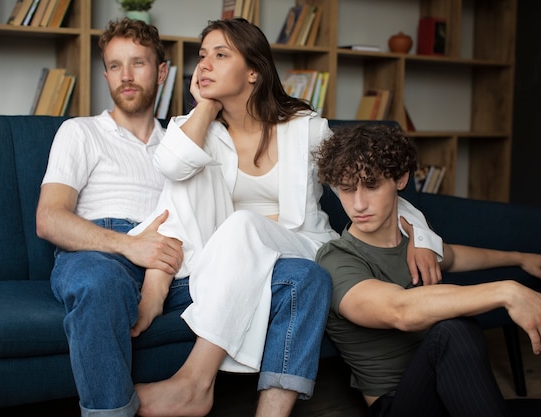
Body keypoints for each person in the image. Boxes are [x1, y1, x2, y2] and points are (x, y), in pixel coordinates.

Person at [129, 18, 445, 417]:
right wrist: (206, 106)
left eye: (221, 55)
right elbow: (171, 167)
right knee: (212, 201)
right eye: (202, 56)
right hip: (225, 259)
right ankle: (162, 297)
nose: (204, 65)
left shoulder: (305, 128)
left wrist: (420, 234)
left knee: (244, 226)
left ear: (254, 72)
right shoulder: (196, 128)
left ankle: (195, 382)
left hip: (300, 244)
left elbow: (367, 177)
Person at [35, 17, 323, 417]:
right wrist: (132, 246)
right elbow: (49, 220)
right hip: (105, 250)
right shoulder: (81, 131)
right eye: (115, 66)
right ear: (105, 75)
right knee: (99, 284)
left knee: (304, 277)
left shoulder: (192, 134)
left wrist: (204, 106)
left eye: (138, 63)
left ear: (163, 72)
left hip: (182, 259)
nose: (126, 76)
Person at [313, 123, 541, 417]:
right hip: (400, 407)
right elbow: (401, 310)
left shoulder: (417, 240)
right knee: (454, 329)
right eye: (346, 189)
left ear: (401, 178)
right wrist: (507, 291)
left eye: (371, 186)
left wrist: (520, 258)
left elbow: (454, 256)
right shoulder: (335, 259)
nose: (358, 204)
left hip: (457, 396)